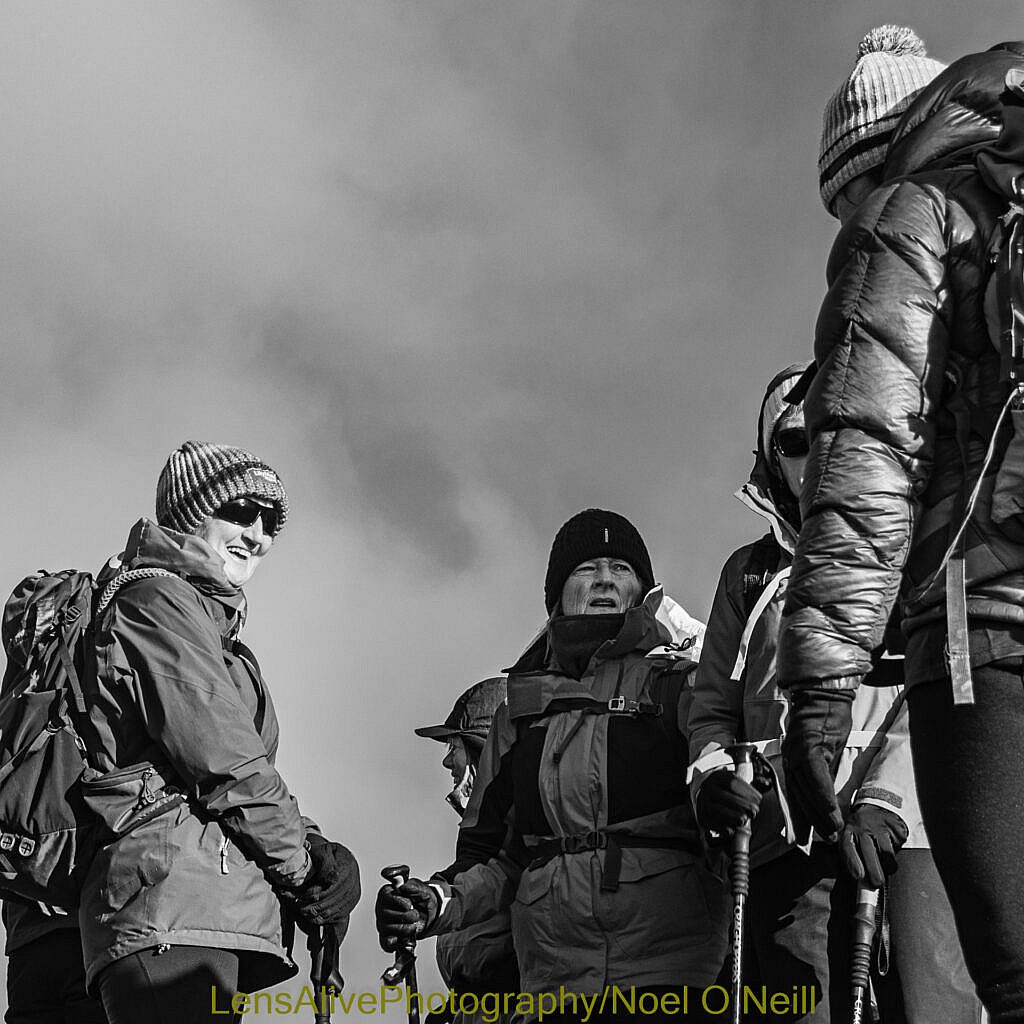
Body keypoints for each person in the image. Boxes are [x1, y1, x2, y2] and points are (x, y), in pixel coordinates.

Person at [774, 27, 1024, 1024]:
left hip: (985, 623)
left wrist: (822, 686)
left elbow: (865, 450)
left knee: (1012, 979)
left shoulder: (913, 208)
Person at [687, 364, 983, 1023]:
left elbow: (960, 691)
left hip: (915, 839)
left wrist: (886, 802)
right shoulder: (748, 575)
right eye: (796, 441)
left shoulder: (936, 551)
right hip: (786, 848)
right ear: (772, 460)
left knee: (935, 1011)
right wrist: (713, 781)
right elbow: (709, 710)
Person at [375, 509, 727, 1023]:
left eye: (620, 568)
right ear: (556, 594)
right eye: (587, 569)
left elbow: (723, 814)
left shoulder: (680, 687)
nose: (605, 578)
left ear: (643, 592)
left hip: (672, 982)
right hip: (552, 990)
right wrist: (434, 901)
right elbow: (494, 857)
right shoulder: (520, 713)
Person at [73, 441, 360, 1024]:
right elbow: (223, 761)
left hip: (194, 914)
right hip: (166, 911)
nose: (256, 532)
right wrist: (304, 870)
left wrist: (313, 846)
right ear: (187, 515)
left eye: (269, 520)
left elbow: (222, 769)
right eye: (238, 511)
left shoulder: (209, 626)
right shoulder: (158, 600)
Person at [414, 677, 518, 1024]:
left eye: (452, 747)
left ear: (480, 751)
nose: (447, 763)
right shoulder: (487, 837)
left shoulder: (519, 834)